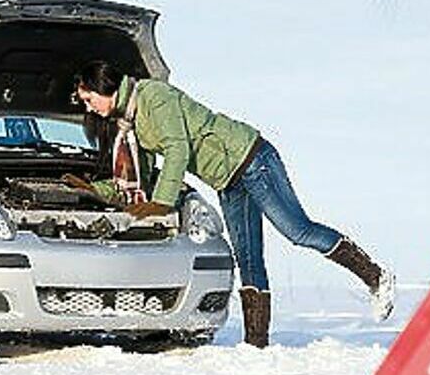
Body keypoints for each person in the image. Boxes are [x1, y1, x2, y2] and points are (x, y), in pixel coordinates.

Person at [66, 60, 395, 348]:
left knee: (298, 230)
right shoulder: (132, 123)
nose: (89, 107)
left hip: (251, 159)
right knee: (248, 258)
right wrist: (94, 189)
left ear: (102, 86)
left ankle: (376, 276)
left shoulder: (153, 96)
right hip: (227, 180)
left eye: (88, 98)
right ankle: (256, 346)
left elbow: (178, 149)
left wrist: (162, 204)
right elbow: (144, 177)